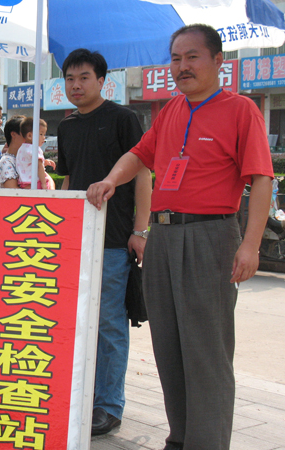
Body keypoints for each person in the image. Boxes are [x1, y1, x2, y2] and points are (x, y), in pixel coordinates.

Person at [86, 25, 273, 450]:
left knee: (206, 351)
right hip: (163, 237)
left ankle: (206, 443)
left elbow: (262, 179)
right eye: (175, 58)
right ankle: (180, 439)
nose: (182, 66)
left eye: (192, 57)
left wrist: (250, 245)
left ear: (218, 61)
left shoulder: (241, 110)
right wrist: (111, 179)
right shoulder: (171, 110)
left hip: (211, 236)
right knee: (168, 347)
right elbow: (140, 155)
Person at [57, 48, 152, 436]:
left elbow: (143, 173)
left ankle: (109, 405)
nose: (76, 85)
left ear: (101, 81)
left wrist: (140, 230)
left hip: (113, 239)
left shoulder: (123, 119)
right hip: (74, 240)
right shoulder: (66, 126)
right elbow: (68, 180)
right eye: (69, 79)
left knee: (109, 323)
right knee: (76, 321)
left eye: (84, 78)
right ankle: (82, 395)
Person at [15, 117, 55, 190]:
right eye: (41, 134)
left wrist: (44, 162)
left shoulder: (21, 149)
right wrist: (44, 184)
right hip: (36, 183)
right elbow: (39, 166)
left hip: (24, 183)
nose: (44, 137)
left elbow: (28, 164)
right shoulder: (35, 149)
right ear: (30, 136)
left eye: (44, 134)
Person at [0, 115, 25, 188]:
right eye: (26, 134)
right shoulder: (6, 162)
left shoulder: (25, 159)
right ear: (13, 135)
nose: (30, 138)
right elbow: (14, 192)